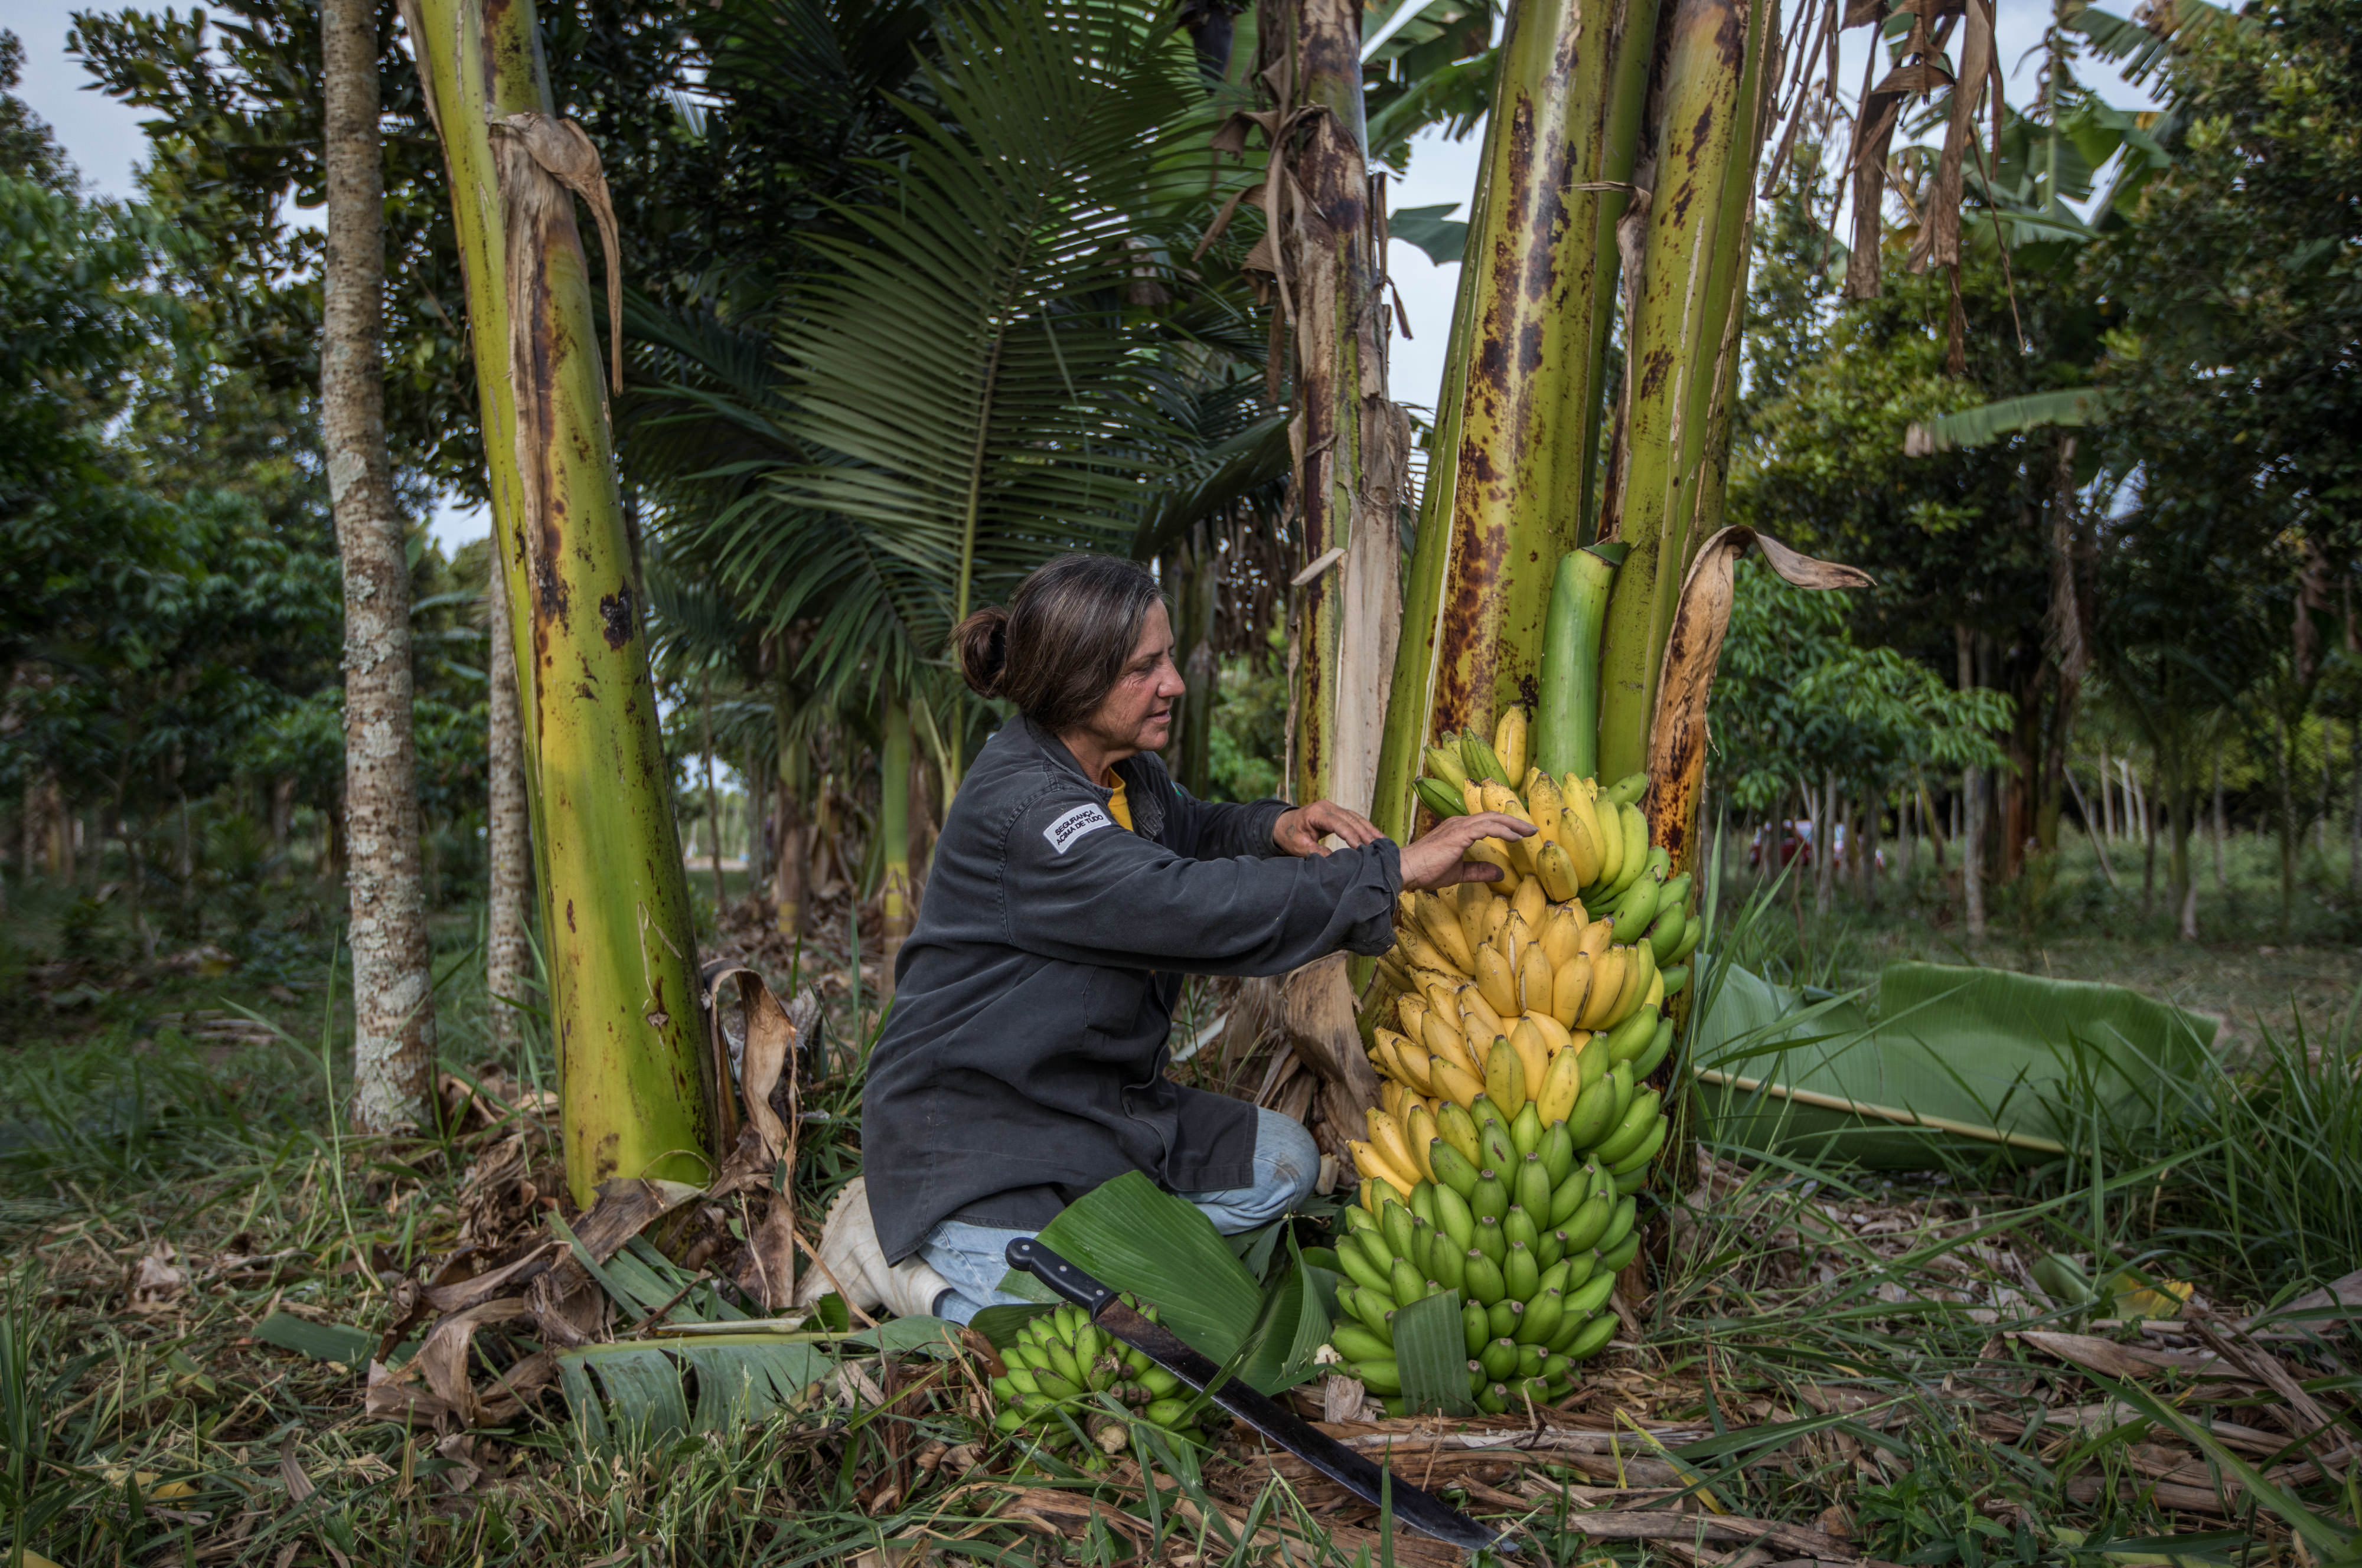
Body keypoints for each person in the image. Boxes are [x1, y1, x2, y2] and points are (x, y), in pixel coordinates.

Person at [799, 554, 1531, 1322]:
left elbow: (1190, 828)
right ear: (1077, 680)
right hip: (983, 1138)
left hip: (1098, 1111)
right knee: (1051, 1333)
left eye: (1168, 658)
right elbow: (1186, 902)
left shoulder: (1122, 772)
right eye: (1144, 668)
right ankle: (900, 1251)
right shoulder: (1030, 813)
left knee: (1286, 1165)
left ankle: (1093, 1256)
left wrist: (1275, 826)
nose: (1174, 683)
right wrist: (1395, 869)